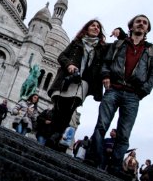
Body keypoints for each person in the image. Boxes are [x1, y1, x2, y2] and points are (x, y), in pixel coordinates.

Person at [86, 15, 153, 179]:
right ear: (131, 26)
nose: (141, 24)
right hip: (113, 88)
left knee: (124, 133)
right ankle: (93, 158)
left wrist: (142, 92)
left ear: (147, 29)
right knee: (101, 124)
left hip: (133, 94)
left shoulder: (152, 50)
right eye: (138, 21)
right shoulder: (119, 44)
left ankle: (115, 167)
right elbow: (106, 62)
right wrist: (105, 75)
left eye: (145, 23)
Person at [46, 19, 107, 149]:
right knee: (59, 108)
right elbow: (61, 56)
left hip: (83, 82)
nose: (96, 28)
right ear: (87, 28)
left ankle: (55, 136)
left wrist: (121, 33)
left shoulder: (102, 48)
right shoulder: (76, 43)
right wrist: (69, 65)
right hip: (69, 77)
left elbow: (119, 45)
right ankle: (52, 136)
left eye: (98, 27)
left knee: (70, 109)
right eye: (93, 25)